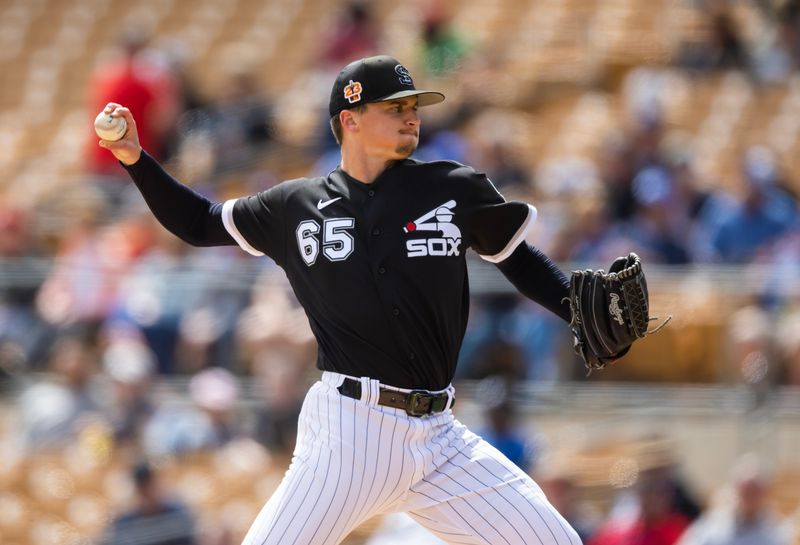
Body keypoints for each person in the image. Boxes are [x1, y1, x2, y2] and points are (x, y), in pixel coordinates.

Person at [98, 55, 597, 545]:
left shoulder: (452, 188)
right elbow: (199, 222)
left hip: (441, 437)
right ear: (350, 119)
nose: (411, 116)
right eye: (394, 107)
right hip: (352, 431)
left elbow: (517, 258)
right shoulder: (296, 205)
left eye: (414, 106)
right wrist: (135, 159)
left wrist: (576, 308)